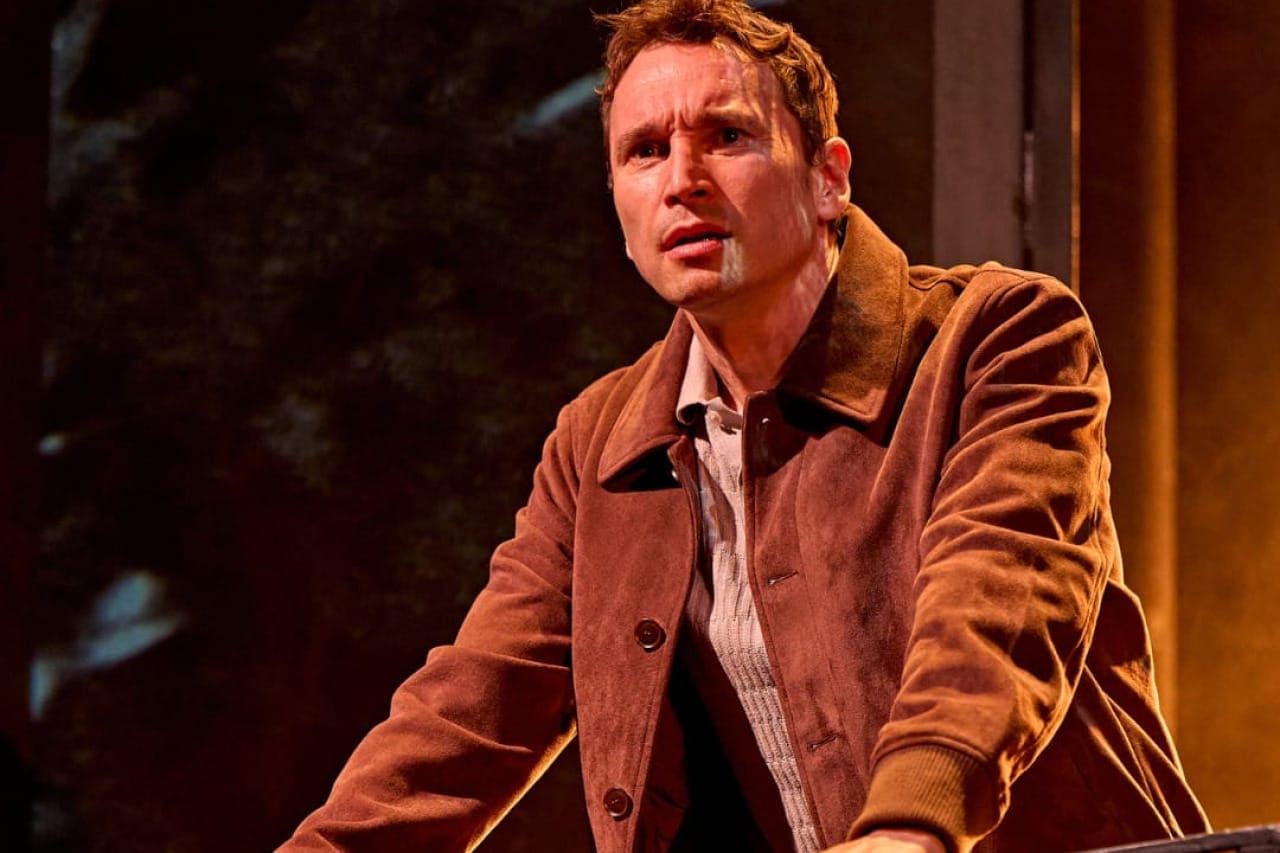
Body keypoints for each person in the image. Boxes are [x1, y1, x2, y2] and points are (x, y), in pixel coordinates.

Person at [279, 1, 1210, 851]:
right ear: (619, 209)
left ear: (828, 179)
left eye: (727, 136)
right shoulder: (599, 445)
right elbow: (465, 715)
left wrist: (911, 825)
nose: (682, 181)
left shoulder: (996, 339)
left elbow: (998, 607)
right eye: (645, 152)